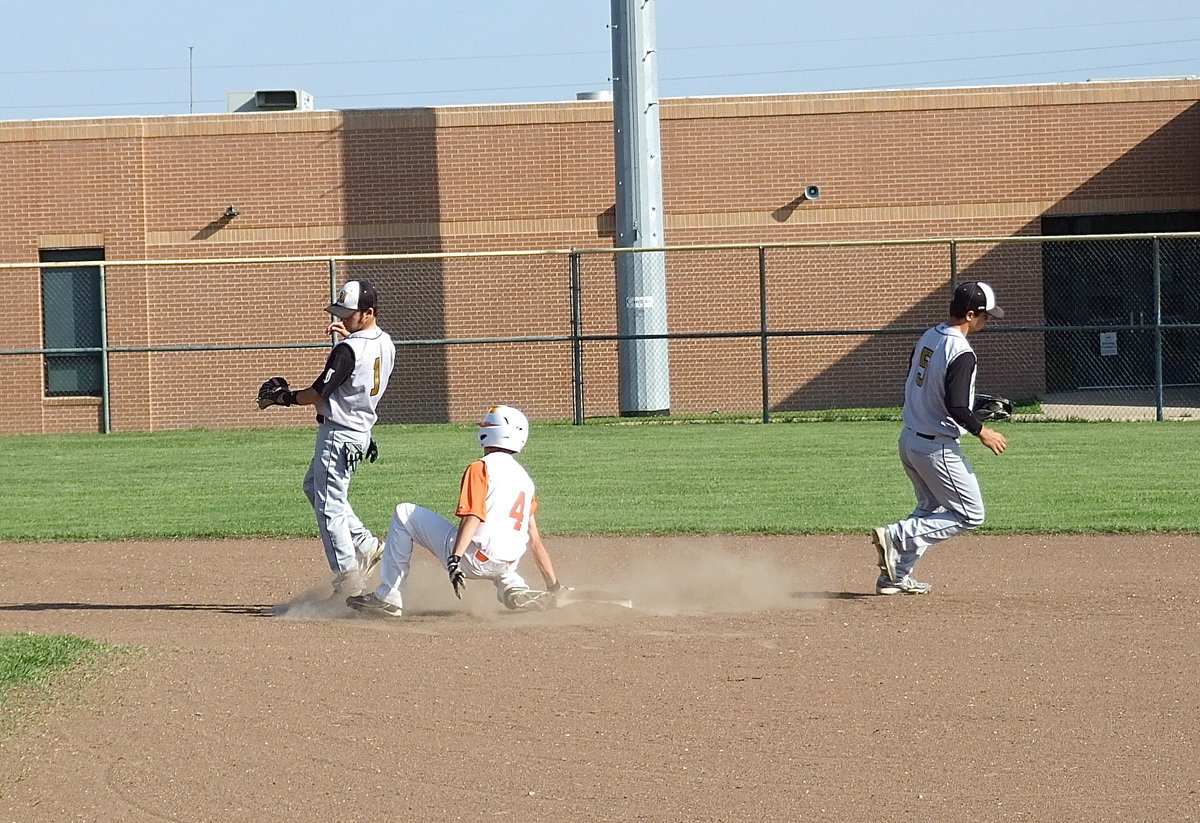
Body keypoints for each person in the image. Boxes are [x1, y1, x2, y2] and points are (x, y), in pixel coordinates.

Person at [347, 405, 563, 618]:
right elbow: (534, 540)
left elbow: (473, 516)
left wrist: (455, 559)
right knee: (503, 561)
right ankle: (513, 588)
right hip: (507, 563)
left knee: (404, 514)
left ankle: (389, 597)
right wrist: (553, 585)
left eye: (486, 424)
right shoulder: (525, 480)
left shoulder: (481, 468)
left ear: (492, 431)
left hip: (472, 558)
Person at [258, 279, 396, 598]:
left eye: (349, 314)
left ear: (369, 312)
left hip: (339, 433)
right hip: (360, 431)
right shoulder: (385, 342)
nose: (343, 318)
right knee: (315, 487)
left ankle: (348, 576)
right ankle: (366, 543)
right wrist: (353, 336)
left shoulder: (347, 351)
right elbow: (364, 361)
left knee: (329, 506)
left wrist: (281, 398)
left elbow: (317, 393)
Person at [870, 281, 1008, 595]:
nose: (986, 322)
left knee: (930, 508)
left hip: (910, 439)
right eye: (985, 316)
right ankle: (897, 536)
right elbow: (957, 405)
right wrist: (982, 431)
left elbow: (925, 382)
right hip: (936, 446)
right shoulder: (962, 351)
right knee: (970, 514)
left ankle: (893, 576)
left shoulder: (929, 336)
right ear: (971, 315)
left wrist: (969, 405)